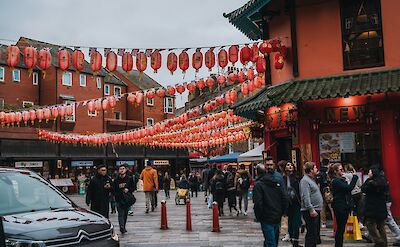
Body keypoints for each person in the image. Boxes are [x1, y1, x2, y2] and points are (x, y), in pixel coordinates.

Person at [253, 163, 288, 247]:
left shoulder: (258, 184)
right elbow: (284, 197)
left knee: (270, 241)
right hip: (276, 214)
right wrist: (282, 211)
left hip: (266, 216)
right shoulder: (276, 181)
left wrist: (258, 216)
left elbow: (258, 203)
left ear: (257, 172)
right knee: (273, 240)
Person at [329, 163, 358, 247]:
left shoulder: (340, 179)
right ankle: (338, 245)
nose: (342, 171)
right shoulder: (336, 181)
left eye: (342, 169)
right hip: (340, 206)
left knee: (341, 228)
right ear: (335, 171)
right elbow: (349, 188)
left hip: (343, 205)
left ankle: (339, 244)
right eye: (340, 170)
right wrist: (355, 177)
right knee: (340, 228)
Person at [362, 166, 388, 247]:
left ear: (373, 173)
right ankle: (384, 243)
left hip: (372, 207)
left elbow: (363, 188)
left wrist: (368, 180)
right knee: (381, 226)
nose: (368, 173)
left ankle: (379, 241)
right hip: (381, 206)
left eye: (369, 172)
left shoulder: (370, 182)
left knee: (369, 224)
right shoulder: (382, 181)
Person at [299, 161, 323, 247]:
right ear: (311, 170)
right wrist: (311, 209)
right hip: (310, 211)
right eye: (315, 168)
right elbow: (305, 196)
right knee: (311, 234)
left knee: (315, 234)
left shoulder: (312, 180)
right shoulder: (305, 181)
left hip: (316, 209)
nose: (317, 169)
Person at [283, 161, 303, 247]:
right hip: (287, 202)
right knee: (290, 220)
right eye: (288, 165)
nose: (290, 166)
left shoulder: (297, 177)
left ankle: (295, 240)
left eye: (291, 165)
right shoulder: (283, 178)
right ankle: (292, 238)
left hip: (296, 201)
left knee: (296, 221)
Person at [113, 164, 135, 234]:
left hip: (127, 200)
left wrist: (128, 189)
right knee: (120, 214)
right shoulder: (116, 180)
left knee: (125, 214)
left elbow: (133, 188)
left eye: (123, 169)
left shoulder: (129, 179)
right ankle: (121, 227)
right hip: (119, 199)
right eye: (120, 169)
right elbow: (114, 190)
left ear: (126, 170)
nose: (121, 170)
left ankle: (123, 226)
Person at [316, 158, 330, 228]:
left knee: (322, 208)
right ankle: (335, 221)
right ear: (328, 163)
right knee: (331, 206)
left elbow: (317, 183)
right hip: (328, 191)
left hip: (321, 191)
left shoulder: (319, 172)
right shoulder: (329, 171)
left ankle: (323, 222)